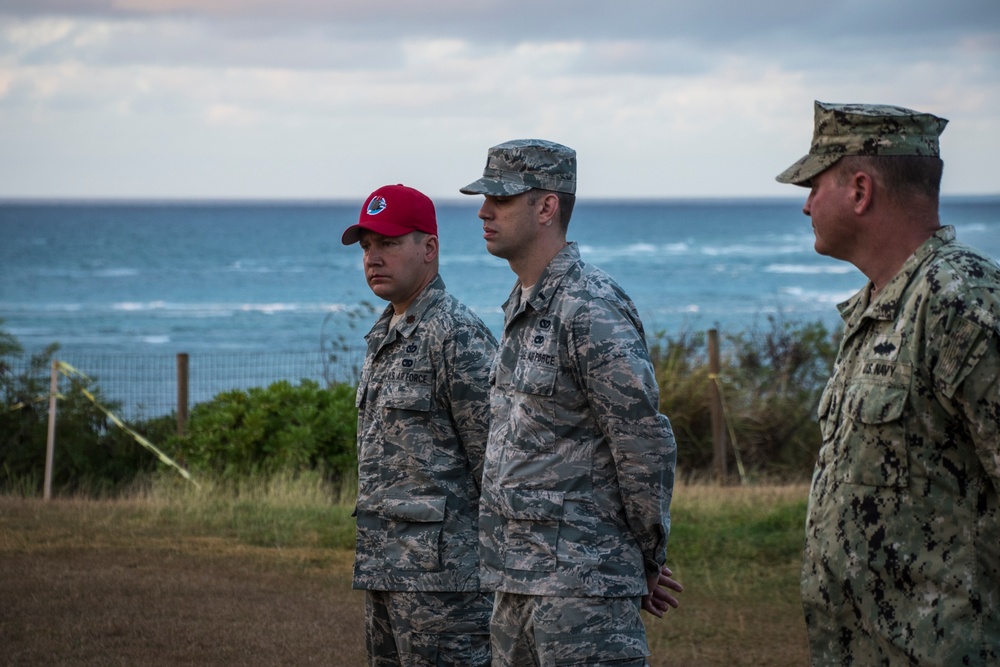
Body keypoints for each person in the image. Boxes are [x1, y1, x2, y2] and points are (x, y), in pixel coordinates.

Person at [776, 101, 1000, 665]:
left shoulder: (961, 302)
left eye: (814, 184)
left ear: (859, 189)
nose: (806, 205)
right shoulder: (882, 307)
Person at [460, 139, 680, 666]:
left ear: (546, 206)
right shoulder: (524, 304)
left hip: (582, 589)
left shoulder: (590, 307)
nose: (483, 210)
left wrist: (646, 556)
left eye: (502, 199)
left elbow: (642, 443)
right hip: (515, 580)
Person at [342, 184, 498, 666]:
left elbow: (495, 462)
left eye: (388, 243)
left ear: (428, 248)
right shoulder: (384, 334)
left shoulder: (456, 335)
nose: (373, 258)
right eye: (367, 246)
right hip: (386, 569)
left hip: (446, 586)